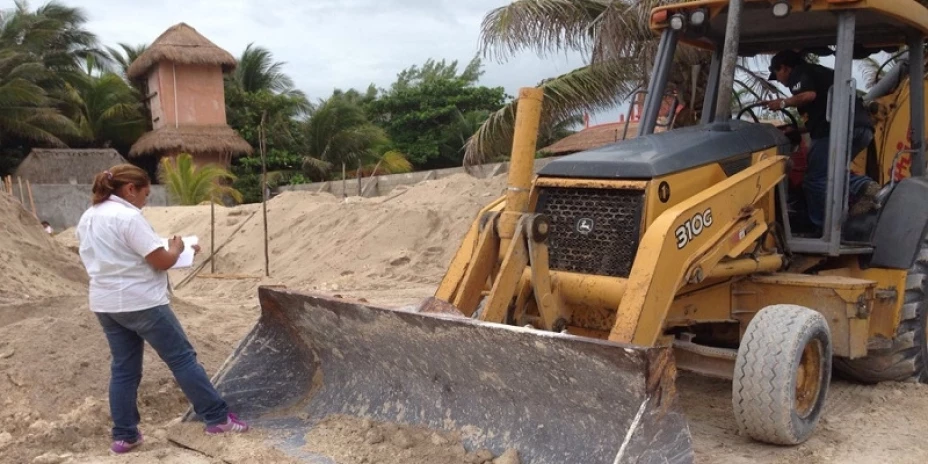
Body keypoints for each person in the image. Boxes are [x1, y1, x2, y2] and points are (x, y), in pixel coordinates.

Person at [75, 164, 247, 454]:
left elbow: (127, 252)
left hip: (106, 303)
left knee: (124, 369)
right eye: (146, 194)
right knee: (182, 359)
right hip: (141, 302)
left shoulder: (89, 216)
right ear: (131, 189)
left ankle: (125, 435)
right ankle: (217, 418)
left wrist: (173, 249)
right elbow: (162, 261)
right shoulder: (129, 216)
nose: (146, 201)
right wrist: (178, 249)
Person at [765, 49, 881, 232]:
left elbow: (809, 95)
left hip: (836, 130)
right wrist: (796, 130)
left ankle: (820, 229)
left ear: (785, 68)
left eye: (777, 74)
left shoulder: (800, 73)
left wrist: (782, 103)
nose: (778, 80)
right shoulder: (820, 73)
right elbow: (818, 115)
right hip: (861, 129)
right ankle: (860, 190)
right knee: (830, 173)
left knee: (814, 179)